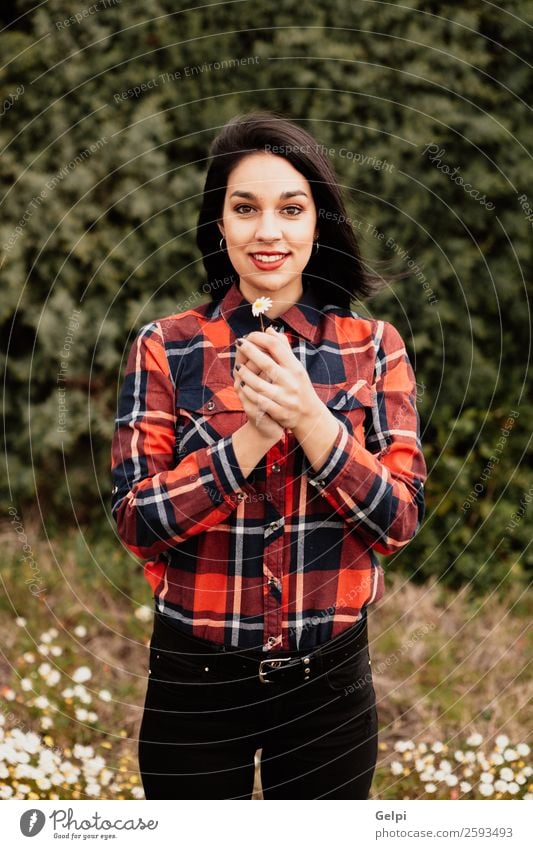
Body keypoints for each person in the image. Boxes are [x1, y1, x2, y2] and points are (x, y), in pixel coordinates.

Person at [110, 111, 427, 800]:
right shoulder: (166, 345)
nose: (268, 231)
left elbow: (398, 520)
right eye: (244, 208)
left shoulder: (373, 348)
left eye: (291, 208)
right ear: (218, 223)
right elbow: (136, 522)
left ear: (318, 222)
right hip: (193, 679)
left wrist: (310, 417)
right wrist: (249, 439)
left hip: (331, 683)